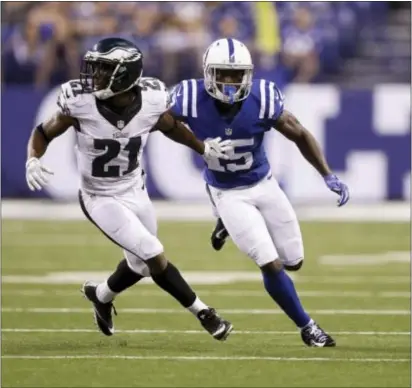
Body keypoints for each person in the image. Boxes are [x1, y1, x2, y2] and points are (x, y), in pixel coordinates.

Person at [25, 37, 234, 341]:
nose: (93, 76)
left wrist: (202, 149)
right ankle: (205, 313)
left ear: (124, 74)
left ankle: (100, 294)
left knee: (141, 264)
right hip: (98, 196)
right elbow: (44, 131)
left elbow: (171, 126)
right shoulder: (79, 102)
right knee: (152, 252)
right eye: (94, 68)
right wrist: (33, 158)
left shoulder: (151, 100)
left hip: (135, 188)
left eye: (103, 69)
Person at [169, 38, 349, 347]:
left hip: (264, 184)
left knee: (293, 261)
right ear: (208, 73)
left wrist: (327, 174)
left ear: (247, 75)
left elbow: (300, 133)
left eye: (235, 74)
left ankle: (224, 223)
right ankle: (308, 327)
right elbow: (162, 121)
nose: (228, 82)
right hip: (227, 192)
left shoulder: (263, 98)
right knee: (269, 262)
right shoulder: (187, 97)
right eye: (222, 74)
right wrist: (198, 146)